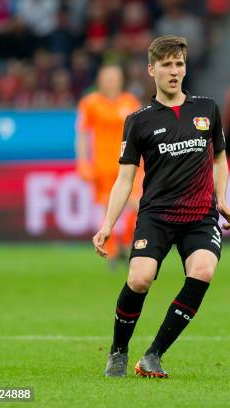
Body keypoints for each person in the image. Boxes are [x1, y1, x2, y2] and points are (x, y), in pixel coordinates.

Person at [93, 35, 230, 378]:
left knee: (202, 271)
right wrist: (107, 225)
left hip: (200, 215)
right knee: (140, 279)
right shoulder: (139, 120)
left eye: (180, 64)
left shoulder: (207, 109)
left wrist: (223, 198)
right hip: (156, 215)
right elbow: (125, 180)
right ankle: (118, 351)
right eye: (168, 65)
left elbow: (219, 159)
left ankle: (154, 354)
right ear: (151, 69)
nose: (175, 71)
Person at [76, 64, 141, 266]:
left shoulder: (130, 102)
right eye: (107, 78)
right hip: (103, 166)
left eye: (114, 78)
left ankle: (127, 242)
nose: (111, 82)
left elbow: (142, 134)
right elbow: (83, 134)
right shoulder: (90, 103)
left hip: (131, 165)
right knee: (108, 209)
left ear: (121, 80)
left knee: (137, 204)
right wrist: (82, 162)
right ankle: (112, 252)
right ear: (100, 81)